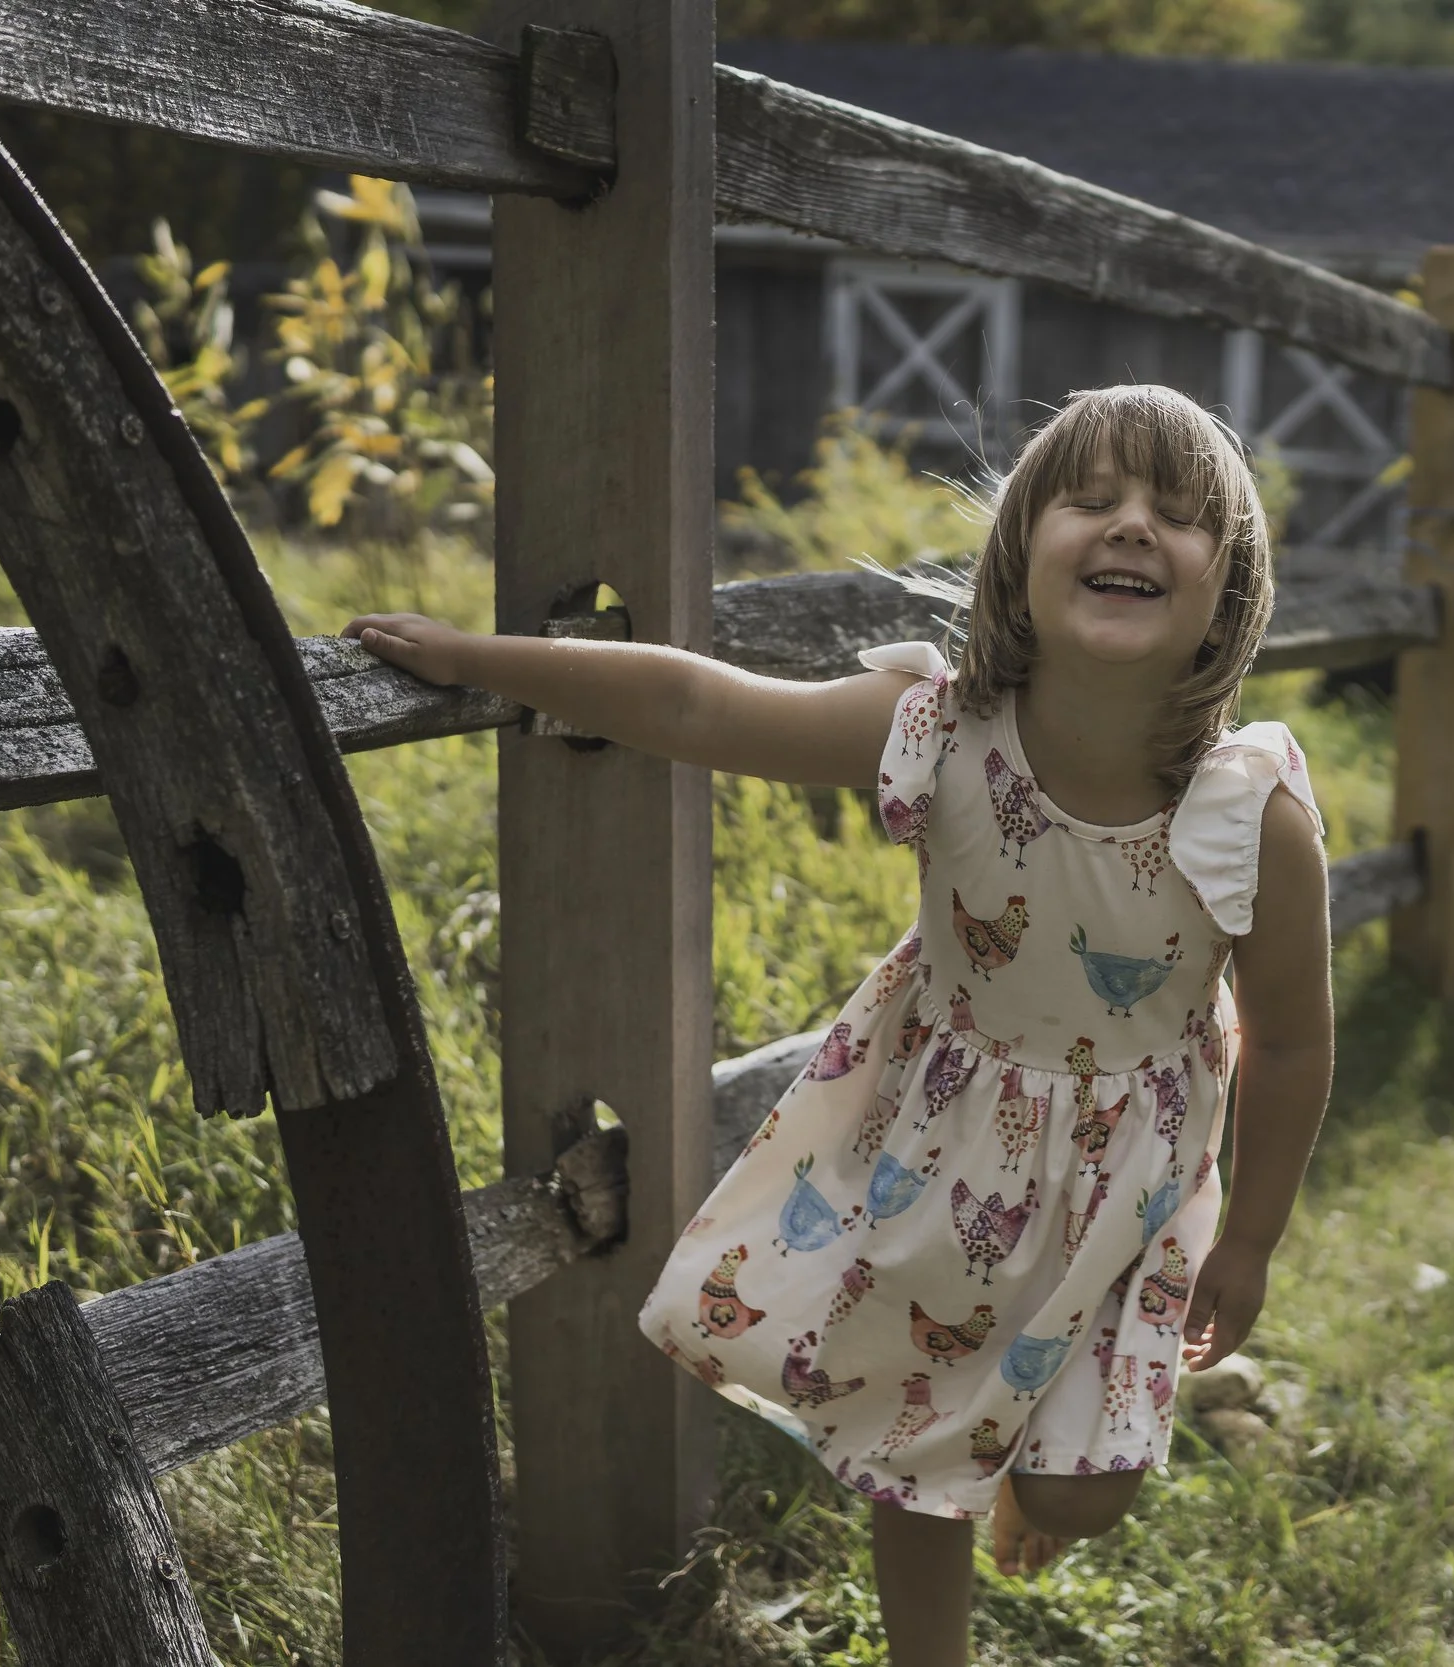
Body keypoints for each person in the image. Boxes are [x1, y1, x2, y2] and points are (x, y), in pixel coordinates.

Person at [345, 384, 1334, 1666]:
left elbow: (1295, 1040)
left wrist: (1248, 1241)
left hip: (1127, 1184)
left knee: (1088, 1487)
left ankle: (1036, 1484)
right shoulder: (943, 734)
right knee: (915, 1439)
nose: (1133, 525)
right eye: (1092, 499)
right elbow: (700, 707)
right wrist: (479, 656)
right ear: (1022, 551)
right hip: (942, 1145)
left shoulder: (1248, 814)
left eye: (1179, 515)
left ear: (1229, 589)